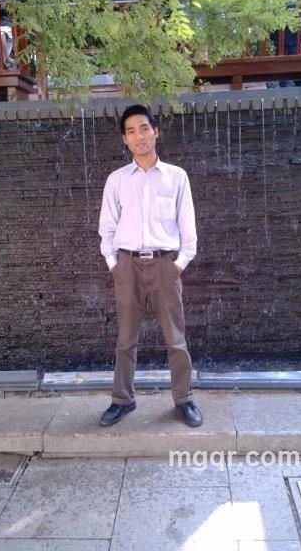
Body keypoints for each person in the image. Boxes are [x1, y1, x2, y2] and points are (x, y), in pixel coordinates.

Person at [98, 104, 203, 428]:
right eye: (131, 131)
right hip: (127, 265)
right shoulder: (116, 180)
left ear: (156, 131)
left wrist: (179, 264)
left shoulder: (176, 177)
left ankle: (183, 399)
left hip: (165, 265)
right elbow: (107, 228)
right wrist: (114, 264)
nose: (139, 136)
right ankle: (122, 400)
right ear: (124, 140)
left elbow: (187, 225)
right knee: (125, 339)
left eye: (144, 128)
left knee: (175, 338)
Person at [270, 16, 301, 87]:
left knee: (284, 79)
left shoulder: (276, 15)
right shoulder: (298, 15)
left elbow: (272, 35)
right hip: (296, 51)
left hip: (281, 52)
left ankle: (285, 93)